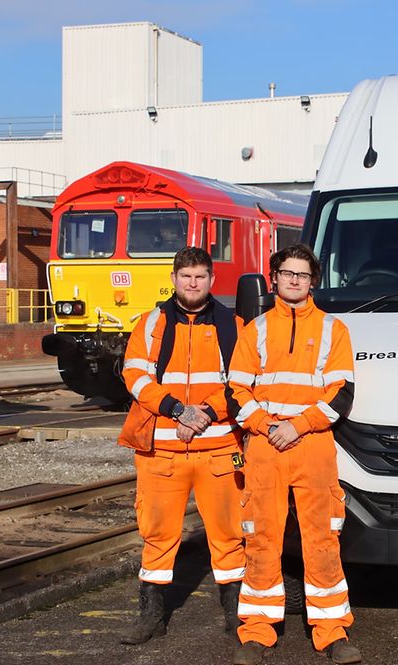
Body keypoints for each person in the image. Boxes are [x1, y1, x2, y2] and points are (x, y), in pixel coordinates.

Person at [227, 244, 361, 665]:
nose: (294, 280)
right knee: (261, 536)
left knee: (322, 538)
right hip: (266, 444)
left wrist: (297, 426)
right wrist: (270, 427)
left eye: (302, 275)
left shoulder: (333, 329)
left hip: (313, 444)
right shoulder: (256, 329)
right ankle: (257, 632)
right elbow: (236, 393)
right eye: (287, 273)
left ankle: (332, 633)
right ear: (274, 277)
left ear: (313, 281)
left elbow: (342, 395)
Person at [117, 246, 245, 643]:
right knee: (157, 535)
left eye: (201, 276)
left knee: (230, 533)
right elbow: (134, 376)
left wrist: (204, 412)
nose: (193, 283)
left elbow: (243, 383)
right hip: (161, 453)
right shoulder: (149, 324)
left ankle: (236, 615)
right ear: (174, 279)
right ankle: (151, 617)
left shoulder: (234, 325)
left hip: (219, 450)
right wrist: (176, 410)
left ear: (211, 280)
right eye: (186, 276)